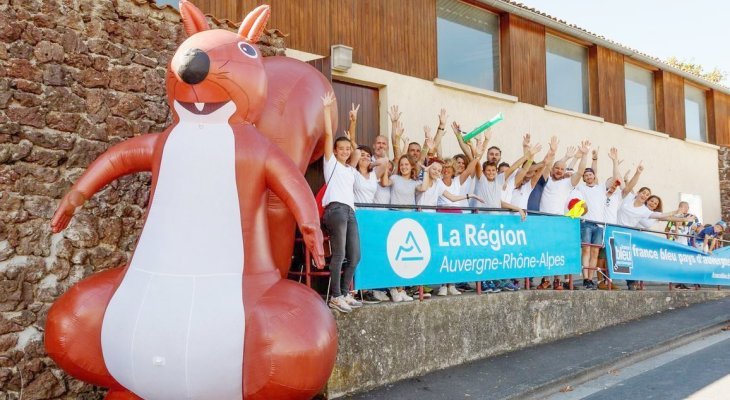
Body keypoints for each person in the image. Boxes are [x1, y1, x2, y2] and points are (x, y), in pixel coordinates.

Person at [320, 92, 363, 313]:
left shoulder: (350, 169)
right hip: (335, 210)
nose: (346, 151)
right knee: (339, 255)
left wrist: (353, 121)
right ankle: (335, 296)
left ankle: (345, 292)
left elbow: (355, 149)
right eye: (342, 148)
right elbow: (329, 134)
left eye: (347, 149)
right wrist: (327, 109)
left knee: (355, 256)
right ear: (335, 151)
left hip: (350, 212)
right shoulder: (332, 164)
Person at [537, 139, 591, 290]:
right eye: (557, 168)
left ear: (565, 170)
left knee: (557, 252)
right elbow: (547, 165)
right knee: (545, 251)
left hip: (559, 222)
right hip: (544, 221)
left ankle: (557, 280)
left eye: (562, 169)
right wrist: (556, 153)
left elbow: (580, 172)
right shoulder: (546, 179)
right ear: (553, 169)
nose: (559, 170)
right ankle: (545, 279)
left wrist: (584, 155)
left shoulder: (567, 183)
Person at [576, 148, 622, 290]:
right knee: (586, 251)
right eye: (586, 175)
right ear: (584, 178)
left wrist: (614, 161)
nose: (589, 176)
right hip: (586, 223)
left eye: (591, 174)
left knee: (595, 252)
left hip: (600, 226)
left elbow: (615, 179)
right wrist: (589, 157)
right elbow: (581, 170)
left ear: (594, 176)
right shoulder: (580, 188)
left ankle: (591, 279)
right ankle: (585, 278)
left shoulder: (601, 188)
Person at [380, 155, 420, 302]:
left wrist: (427, 171)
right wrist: (385, 169)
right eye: (402, 164)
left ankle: (402, 289)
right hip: (394, 217)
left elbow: (424, 187)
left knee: (406, 258)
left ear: (411, 167)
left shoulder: (415, 182)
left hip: (409, 219)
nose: (404, 167)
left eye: (406, 164)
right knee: (394, 254)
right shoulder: (395, 179)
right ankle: (393, 288)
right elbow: (384, 182)